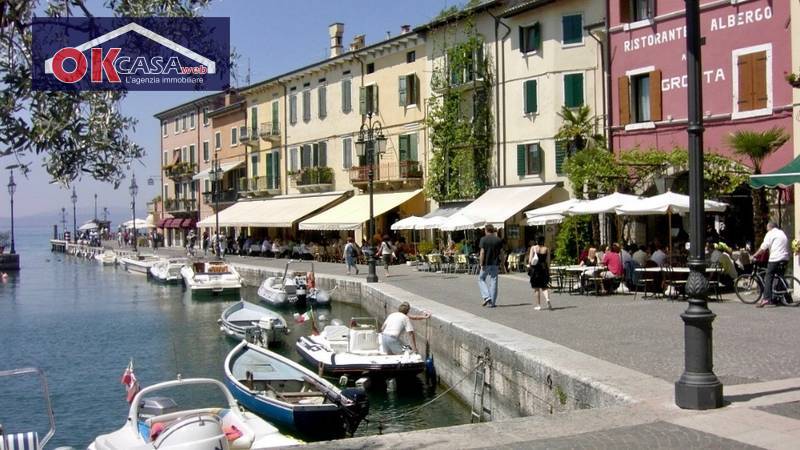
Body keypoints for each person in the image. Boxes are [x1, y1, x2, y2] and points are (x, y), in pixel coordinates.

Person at [753, 221, 790, 307]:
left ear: (770, 227)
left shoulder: (770, 233)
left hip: (775, 258)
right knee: (780, 276)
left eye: (767, 228)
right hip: (785, 258)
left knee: (768, 276)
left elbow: (763, 247)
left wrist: (754, 255)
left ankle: (766, 299)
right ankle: (785, 298)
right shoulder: (781, 232)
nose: (767, 229)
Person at [478, 224, 503, 308]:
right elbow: (502, 253)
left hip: (486, 263)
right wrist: (502, 264)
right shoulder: (498, 240)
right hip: (495, 263)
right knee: (494, 281)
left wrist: (481, 263)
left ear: (486, 230)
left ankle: (487, 297)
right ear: (493, 230)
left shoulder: (483, 239)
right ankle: (492, 302)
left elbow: (482, 252)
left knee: (481, 279)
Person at [527, 235, 551, 311]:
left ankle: (538, 305)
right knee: (544, 286)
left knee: (536, 288)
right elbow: (548, 261)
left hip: (535, 269)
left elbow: (530, 260)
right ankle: (547, 299)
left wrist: (530, 264)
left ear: (536, 240)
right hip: (543, 269)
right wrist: (548, 270)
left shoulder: (533, 248)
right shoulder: (546, 249)